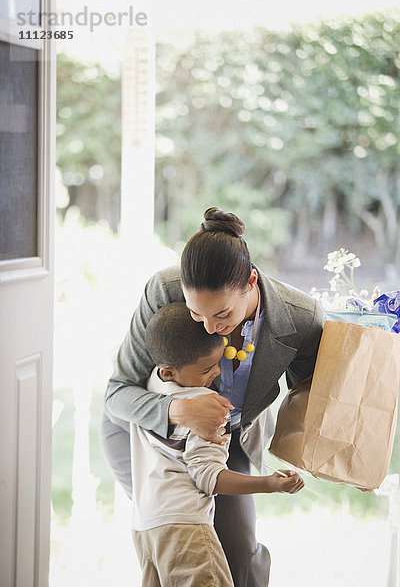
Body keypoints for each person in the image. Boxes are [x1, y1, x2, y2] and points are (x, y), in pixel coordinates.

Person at [101, 207, 324, 586]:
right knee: (176, 542)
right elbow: (117, 393)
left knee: (238, 558)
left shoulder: (301, 319)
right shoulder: (164, 291)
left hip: (224, 440)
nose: (210, 327)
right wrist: (178, 410)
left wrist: (350, 460)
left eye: (221, 313)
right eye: (195, 314)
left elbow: (311, 406)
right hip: (146, 439)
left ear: (251, 281)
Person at [131, 302, 304, 587]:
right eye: (207, 369)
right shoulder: (206, 408)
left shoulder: (150, 386)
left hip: (146, 527)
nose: (216, 374)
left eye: (218, 362)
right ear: (170, 371)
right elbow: (209, 477)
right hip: (186, 529)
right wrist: (269, 484)